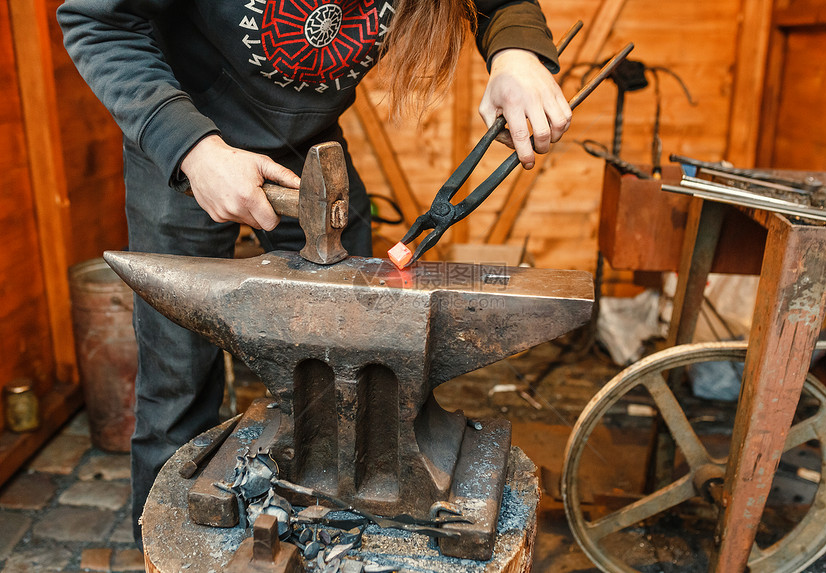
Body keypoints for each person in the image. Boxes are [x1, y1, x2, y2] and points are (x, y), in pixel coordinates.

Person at [57, 0, 572, 550]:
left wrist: (516, 49)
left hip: (311, 151)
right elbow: (97, 20)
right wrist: (192, 149)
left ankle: (334, 536)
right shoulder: (186, 145)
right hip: (185, 142)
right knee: (175, 387)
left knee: (359, 373)